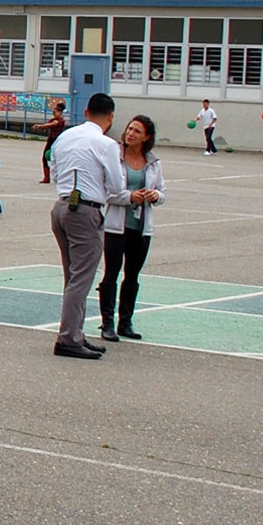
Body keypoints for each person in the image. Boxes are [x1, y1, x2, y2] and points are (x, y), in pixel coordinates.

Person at [48, 93, 127, 360]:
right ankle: (69, 337)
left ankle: (75, 332)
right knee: (81, 278)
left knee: (72, 277)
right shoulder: (105, 144)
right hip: (85, 209)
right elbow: (117, 187)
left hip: (62, 205)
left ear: (86, 111)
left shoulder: (65, 137)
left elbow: (55, 172)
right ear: (111, 116)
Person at [96, 115, 165, 342]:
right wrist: (130, 196)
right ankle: (107, 323)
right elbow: (106, 191)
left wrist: (155, 195)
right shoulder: (115, 157)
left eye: (137, 131)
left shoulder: (153, 162)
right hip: (117, 226)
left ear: (147, 137)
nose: (130, 133)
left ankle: (126, 321)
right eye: (130, 129)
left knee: (132, 275)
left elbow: (162, 190)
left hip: (141, 227)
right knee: (111, 273)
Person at [34, 99, 68, 183]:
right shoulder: (52, 120)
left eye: (55, 112)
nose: (54, 114)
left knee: (58, 159)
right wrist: (41, 127)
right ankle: (46, 177)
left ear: (60, 112)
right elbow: (48, 125)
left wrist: (41, 126)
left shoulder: (61, 120)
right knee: (44, 158)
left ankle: (61, 176)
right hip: (50, 141)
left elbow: (53, 124)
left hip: (57, 142)